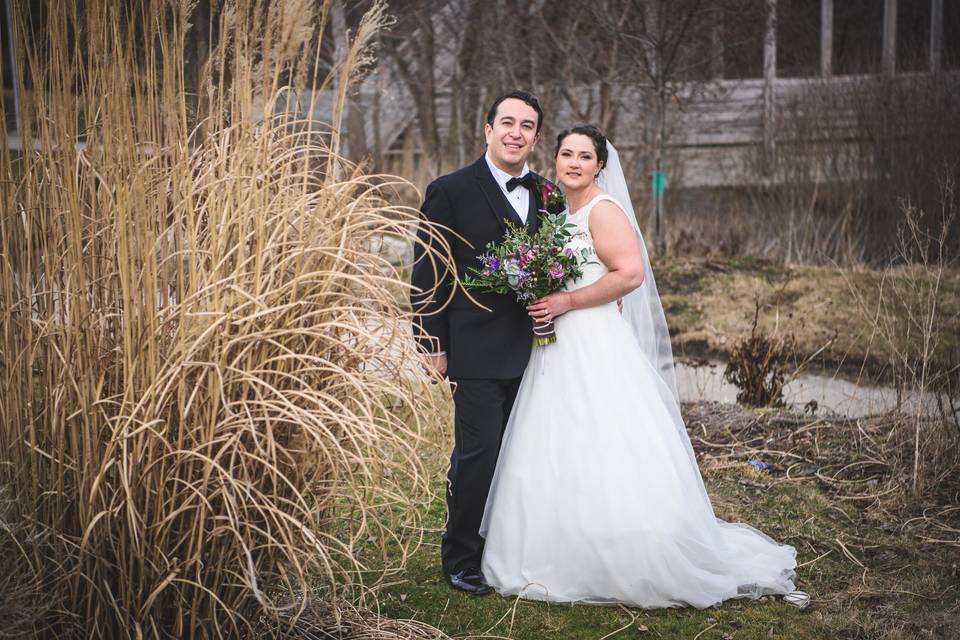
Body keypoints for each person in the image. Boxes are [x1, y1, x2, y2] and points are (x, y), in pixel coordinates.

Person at [479, 125, 805, 609]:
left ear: (599, 166)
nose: (572, 162)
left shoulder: (603, 210)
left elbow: (629, 273)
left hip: (592, 342)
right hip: (555, 346)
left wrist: (568, 299)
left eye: (583, 156)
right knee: (552, 439)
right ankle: (550, 548)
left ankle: (624, 552)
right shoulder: (554, 211)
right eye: (565, 153)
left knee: (604, 438)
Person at [410, 90, 563, 595]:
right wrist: (430, 342)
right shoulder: (450, 190)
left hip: (542, 350)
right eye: (507, 123)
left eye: (527, 126)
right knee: (479, 455)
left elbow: (567, 260)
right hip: (475, 350)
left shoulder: (548, 194)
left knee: (530, 455)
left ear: (537, 137)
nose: (516, 133)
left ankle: (516, 548)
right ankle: (461, 557)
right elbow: (427, 271)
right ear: (487, 129)